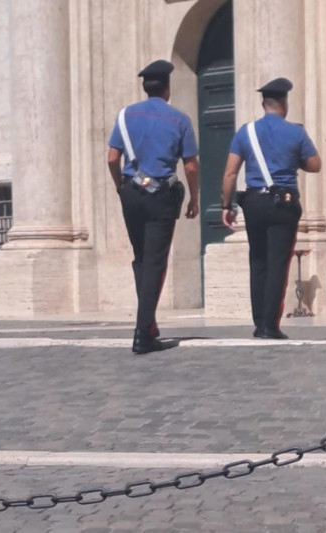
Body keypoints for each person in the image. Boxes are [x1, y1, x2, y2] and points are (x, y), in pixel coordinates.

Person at [107, 59, 200, 354]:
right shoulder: (179, 120)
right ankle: (143, 333)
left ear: (145, 87)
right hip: (160, 196)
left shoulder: (125, 116)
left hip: (131, 193)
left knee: (141, 259)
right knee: (155, 262)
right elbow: (191, 165)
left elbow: (112, 158)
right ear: (167, 87)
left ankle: (148, 323)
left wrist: (120, 187)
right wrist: (194, 198)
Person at [220, 77, 321, 339]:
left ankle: (258, 322)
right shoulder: (296, 132)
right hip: (283, 203)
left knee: (258, 261)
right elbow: (315, 165)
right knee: (278, 263)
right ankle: (270, 325)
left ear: (263, 104)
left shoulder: (245, 132)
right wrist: (292, 160)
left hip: (254, 202)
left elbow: (230, 173)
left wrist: (226, 205)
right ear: (284, 103)